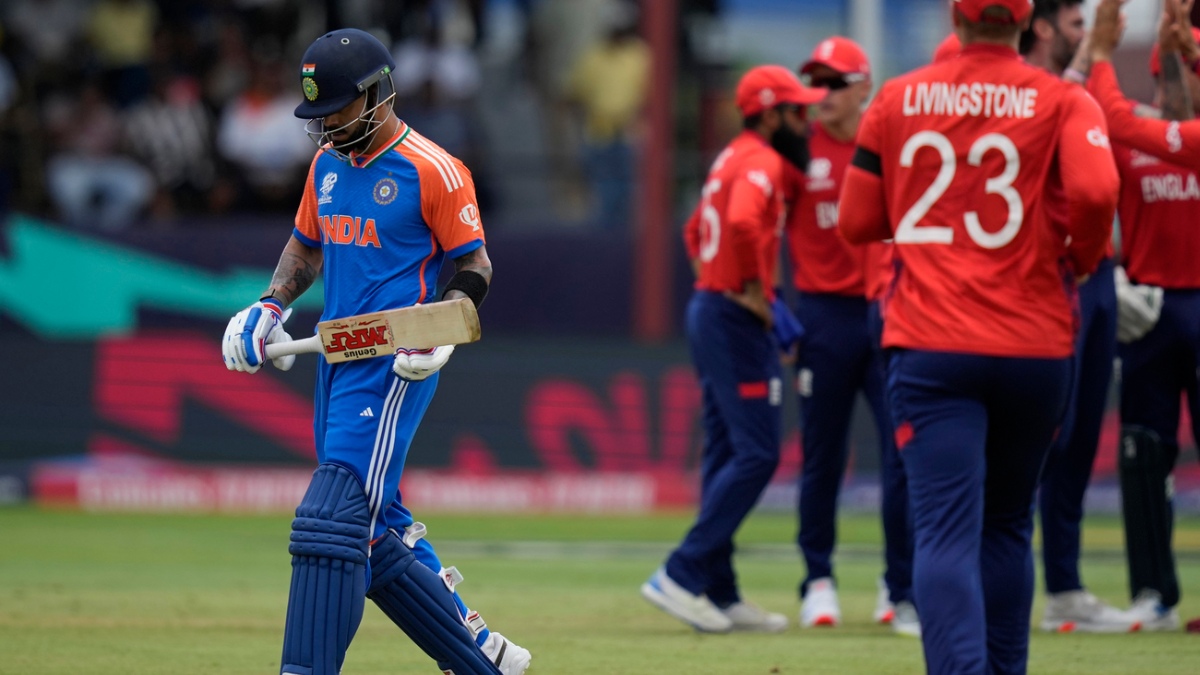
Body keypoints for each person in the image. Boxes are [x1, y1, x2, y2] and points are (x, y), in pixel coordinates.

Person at [220, 29, 529, 675]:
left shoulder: (434, 169)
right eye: (318, 113)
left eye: (336, 109)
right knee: (376, 522)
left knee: (334, 516)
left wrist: (443, 325)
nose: (326, 125)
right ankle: (479, 653)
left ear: (377, 94)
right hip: (336, 357)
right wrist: (270, 305)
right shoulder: (327, 165)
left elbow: (475, 264)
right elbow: (306, 245)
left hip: (396, 361)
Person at [838, 0, 1119, 672]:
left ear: (954, 19)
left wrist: (930, 225)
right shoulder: (1062, 100)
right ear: (1025, 23)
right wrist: (1081, 259)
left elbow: (855, 221)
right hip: (1035, 343)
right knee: (1008, 524)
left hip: (932, 341)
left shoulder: (897, 98)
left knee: (944, 530)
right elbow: (1097, 192)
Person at [641, 64, 824, 633]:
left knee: (725, 452)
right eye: (797, 111)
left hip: (712, 308)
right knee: (757, 453)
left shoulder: (729, 157)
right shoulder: (763, 162)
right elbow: (742, 224)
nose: (806, 121)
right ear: (771, 115)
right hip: (733, 317)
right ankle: (681, 572)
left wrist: (722, 282)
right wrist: (751, 292)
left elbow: (695, 231)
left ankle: (719, 591)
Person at [784, 36, 917, 637]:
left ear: (864, 87)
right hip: (823, 318)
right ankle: (817, 579)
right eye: (815, 82)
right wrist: (782, 315)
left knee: (902, 455)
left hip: (887, 312)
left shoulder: (890, 145)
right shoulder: (796, 151)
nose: (823, 93)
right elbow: (759, 228)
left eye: (835, 82)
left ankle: (900, 585)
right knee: (822, 455)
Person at [1018, 0, 1137, 634]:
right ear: (1041, 27)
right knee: (1044, 438)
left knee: (1083, 436)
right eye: (1073, 25)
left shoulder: (1078, 91)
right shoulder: (1026, 93)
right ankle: (997, 573)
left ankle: (1063, 586)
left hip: (1096, 276)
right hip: (1050, 277)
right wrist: (1101, 50)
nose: (1084, 35)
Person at [1087, 0, 1200, 632]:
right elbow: (1103, 132)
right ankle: (1153, 594)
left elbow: (1115, 117)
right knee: (1142, 454)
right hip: (1150, 312)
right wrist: (1117, 276)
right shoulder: (1134, 140)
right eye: (1171, 74)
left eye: (1187, 73)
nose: (1180, 87)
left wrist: (1102, 53)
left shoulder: (1172, 134)